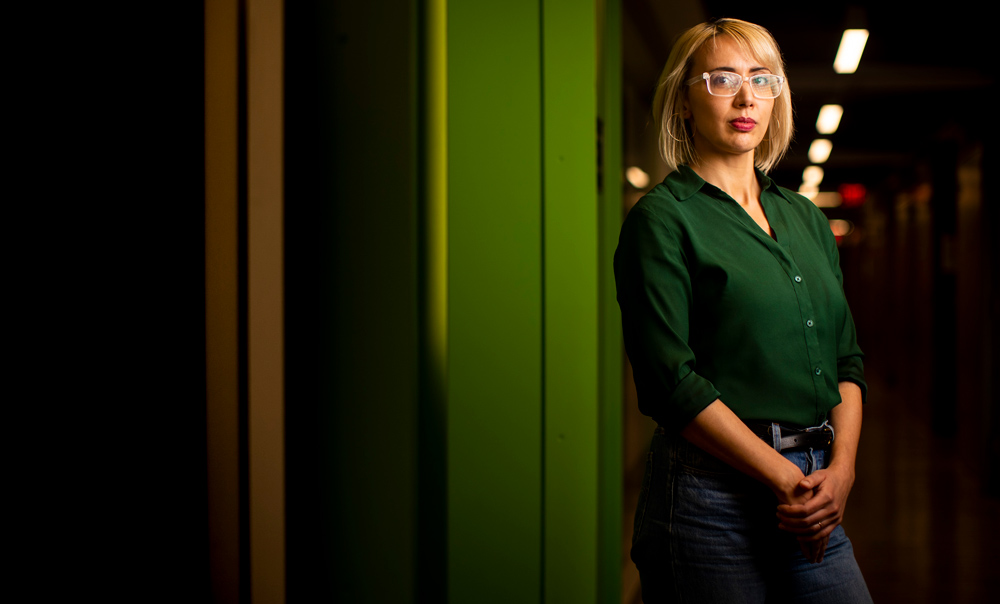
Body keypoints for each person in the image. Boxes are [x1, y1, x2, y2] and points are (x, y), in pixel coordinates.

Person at [614, 18, 873, 603]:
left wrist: (842, 472)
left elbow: (845, 360)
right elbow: (669, 383)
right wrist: (785, 478)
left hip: (815, 484)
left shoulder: (805, 218)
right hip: (710, 499)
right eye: (723, 78)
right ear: (684, 99)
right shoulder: (664, 220)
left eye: (762, 78)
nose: (746, 96)